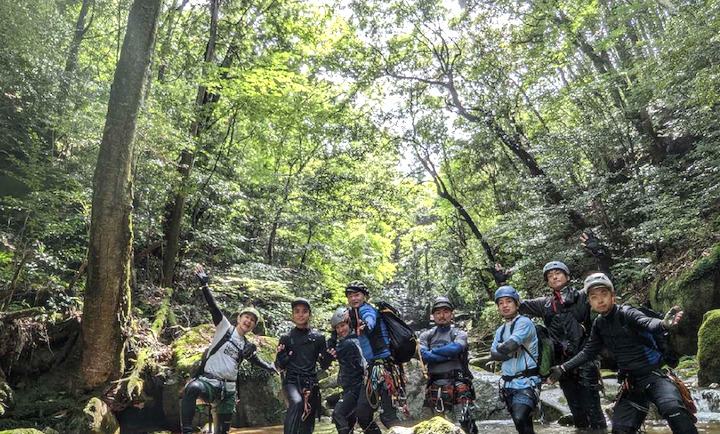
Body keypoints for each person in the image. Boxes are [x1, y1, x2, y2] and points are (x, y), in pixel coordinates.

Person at [547, 273, 697, 434]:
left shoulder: (627, 313)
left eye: (604, 294)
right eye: (594, 297)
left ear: (612, 296)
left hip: (655, 377)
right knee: (620, 430)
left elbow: (647, 323)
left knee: (672, 408)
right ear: (589, 302)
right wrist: (562, 368)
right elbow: (588, 352)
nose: (600, 300)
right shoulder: (599, 324)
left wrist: (663, 325)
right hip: (631, 384)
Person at [495, 232, 610, 430]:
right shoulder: (545, 304)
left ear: (567, 276)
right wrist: (503, 284)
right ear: (547, 282)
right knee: (578, 415)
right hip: (561, 367)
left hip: (585, 362)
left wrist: (598, 253)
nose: (554, 276)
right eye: (549, 275)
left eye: (558, 272)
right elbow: (514, 305)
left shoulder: (583, 296)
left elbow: (604, 282)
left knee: (595, 414)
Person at [181, 265, 277, 434]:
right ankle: (187, 430)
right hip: (209, 383)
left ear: (254, 326)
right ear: (239, 318)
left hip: (228, 391)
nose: (248, 321)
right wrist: (204, 286)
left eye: (253, 320)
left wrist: (270, 367)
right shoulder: (224, 327)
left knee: (222, 432)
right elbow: (213, 307)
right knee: (192, 388)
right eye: (246, 317)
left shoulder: (246, 345)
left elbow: (255, 360)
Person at [344, 280, 400, 433]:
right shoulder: (352, 314)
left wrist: (366, 325)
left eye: (357, 295)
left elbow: (370, 318)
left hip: (385, 368)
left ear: (365, 296)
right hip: (372, 369)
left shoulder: (367, 310)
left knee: (388, 416)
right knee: (362, 415)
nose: (354, 298)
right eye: (350, 296)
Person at [419, 297, 477, 433]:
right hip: (435, 385)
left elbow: (456, 348)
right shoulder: (426, 336)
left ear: (452, 314)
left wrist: (433, 352)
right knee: (430, 426)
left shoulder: (459, 333)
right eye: (438, 312)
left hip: (458, 384)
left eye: (445, 311)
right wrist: (447, 355)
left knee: (466, 423)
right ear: (433, 316)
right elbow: (423, 355)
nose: (442, 315)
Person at [275, 297, 332, 434]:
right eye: (297, 311)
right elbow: (279, 366)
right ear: (293, 315)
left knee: (307, 423)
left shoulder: (318, 338)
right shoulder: (286, 338)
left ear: (309, 314)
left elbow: (323, 365)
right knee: (296, 402)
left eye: (304, 311)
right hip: (292, 381)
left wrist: (329, 357)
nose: (301, 314)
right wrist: (281, 358)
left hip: (310, 382)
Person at [489, 285, 540, 434]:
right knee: (522, 426)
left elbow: (508, 346)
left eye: (508, 301)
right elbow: (494, 354)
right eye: (501, 303)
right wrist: (506, 351)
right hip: (508, 385)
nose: (505, 306)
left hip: (526, 382)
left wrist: (504, 350)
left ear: (517, 303)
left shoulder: (524, 323)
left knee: (519, 418)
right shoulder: (501, 330)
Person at [326, 307, 366, 434]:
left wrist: (332, 338)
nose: (340, 330)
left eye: (342, 325)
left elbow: (327, 357)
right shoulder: (357, 339)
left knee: (338, 414)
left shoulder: (347, 344)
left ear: (349, 324)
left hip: (354, 388)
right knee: (350, 421)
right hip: (357, 387)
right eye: (337, 328)